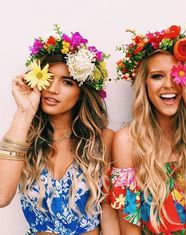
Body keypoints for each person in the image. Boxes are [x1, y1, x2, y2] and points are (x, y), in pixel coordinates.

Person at [110, 23, 186, 234]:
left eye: (178, 74)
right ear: (145, 83)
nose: (169, 84)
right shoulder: (127, 141)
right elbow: (128, 225)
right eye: (157, 76)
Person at [0, 25, 120, 235]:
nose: (53, 89)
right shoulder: (21, 137)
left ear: (82, 92)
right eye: (48, 78)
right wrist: (24, 112)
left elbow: (108, 213)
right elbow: (2, 196)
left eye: (67, 82)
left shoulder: (103, 140)